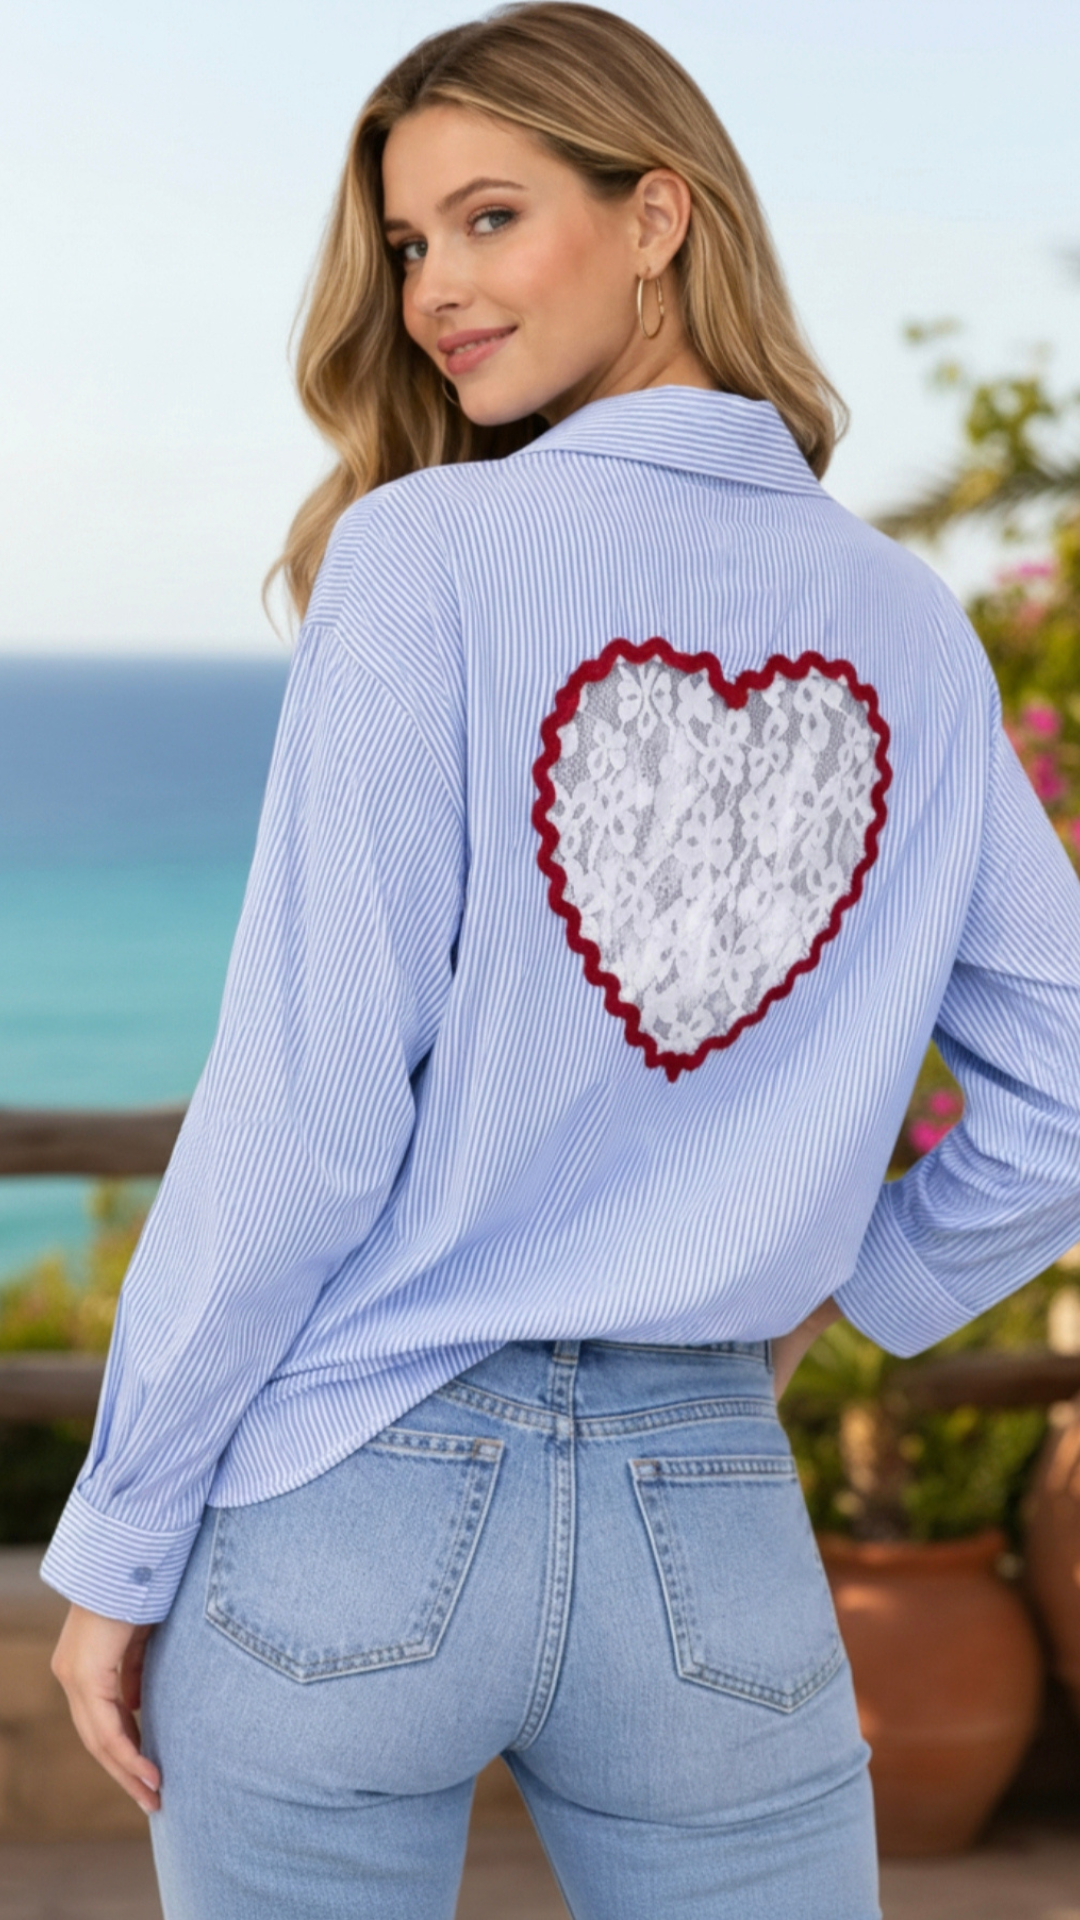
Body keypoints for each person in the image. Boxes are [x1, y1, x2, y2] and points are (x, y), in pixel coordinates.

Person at [44, 6, 1080, 1917]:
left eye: (491, 217)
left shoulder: (428, 557)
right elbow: (1066, 1099)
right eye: (412, 244)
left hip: (348, 1496)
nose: (436, 288)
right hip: (709, 1515)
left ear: (660, 212)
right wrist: (820, 1302)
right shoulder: (908, 624)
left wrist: (115, 1541)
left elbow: (308, 1114)